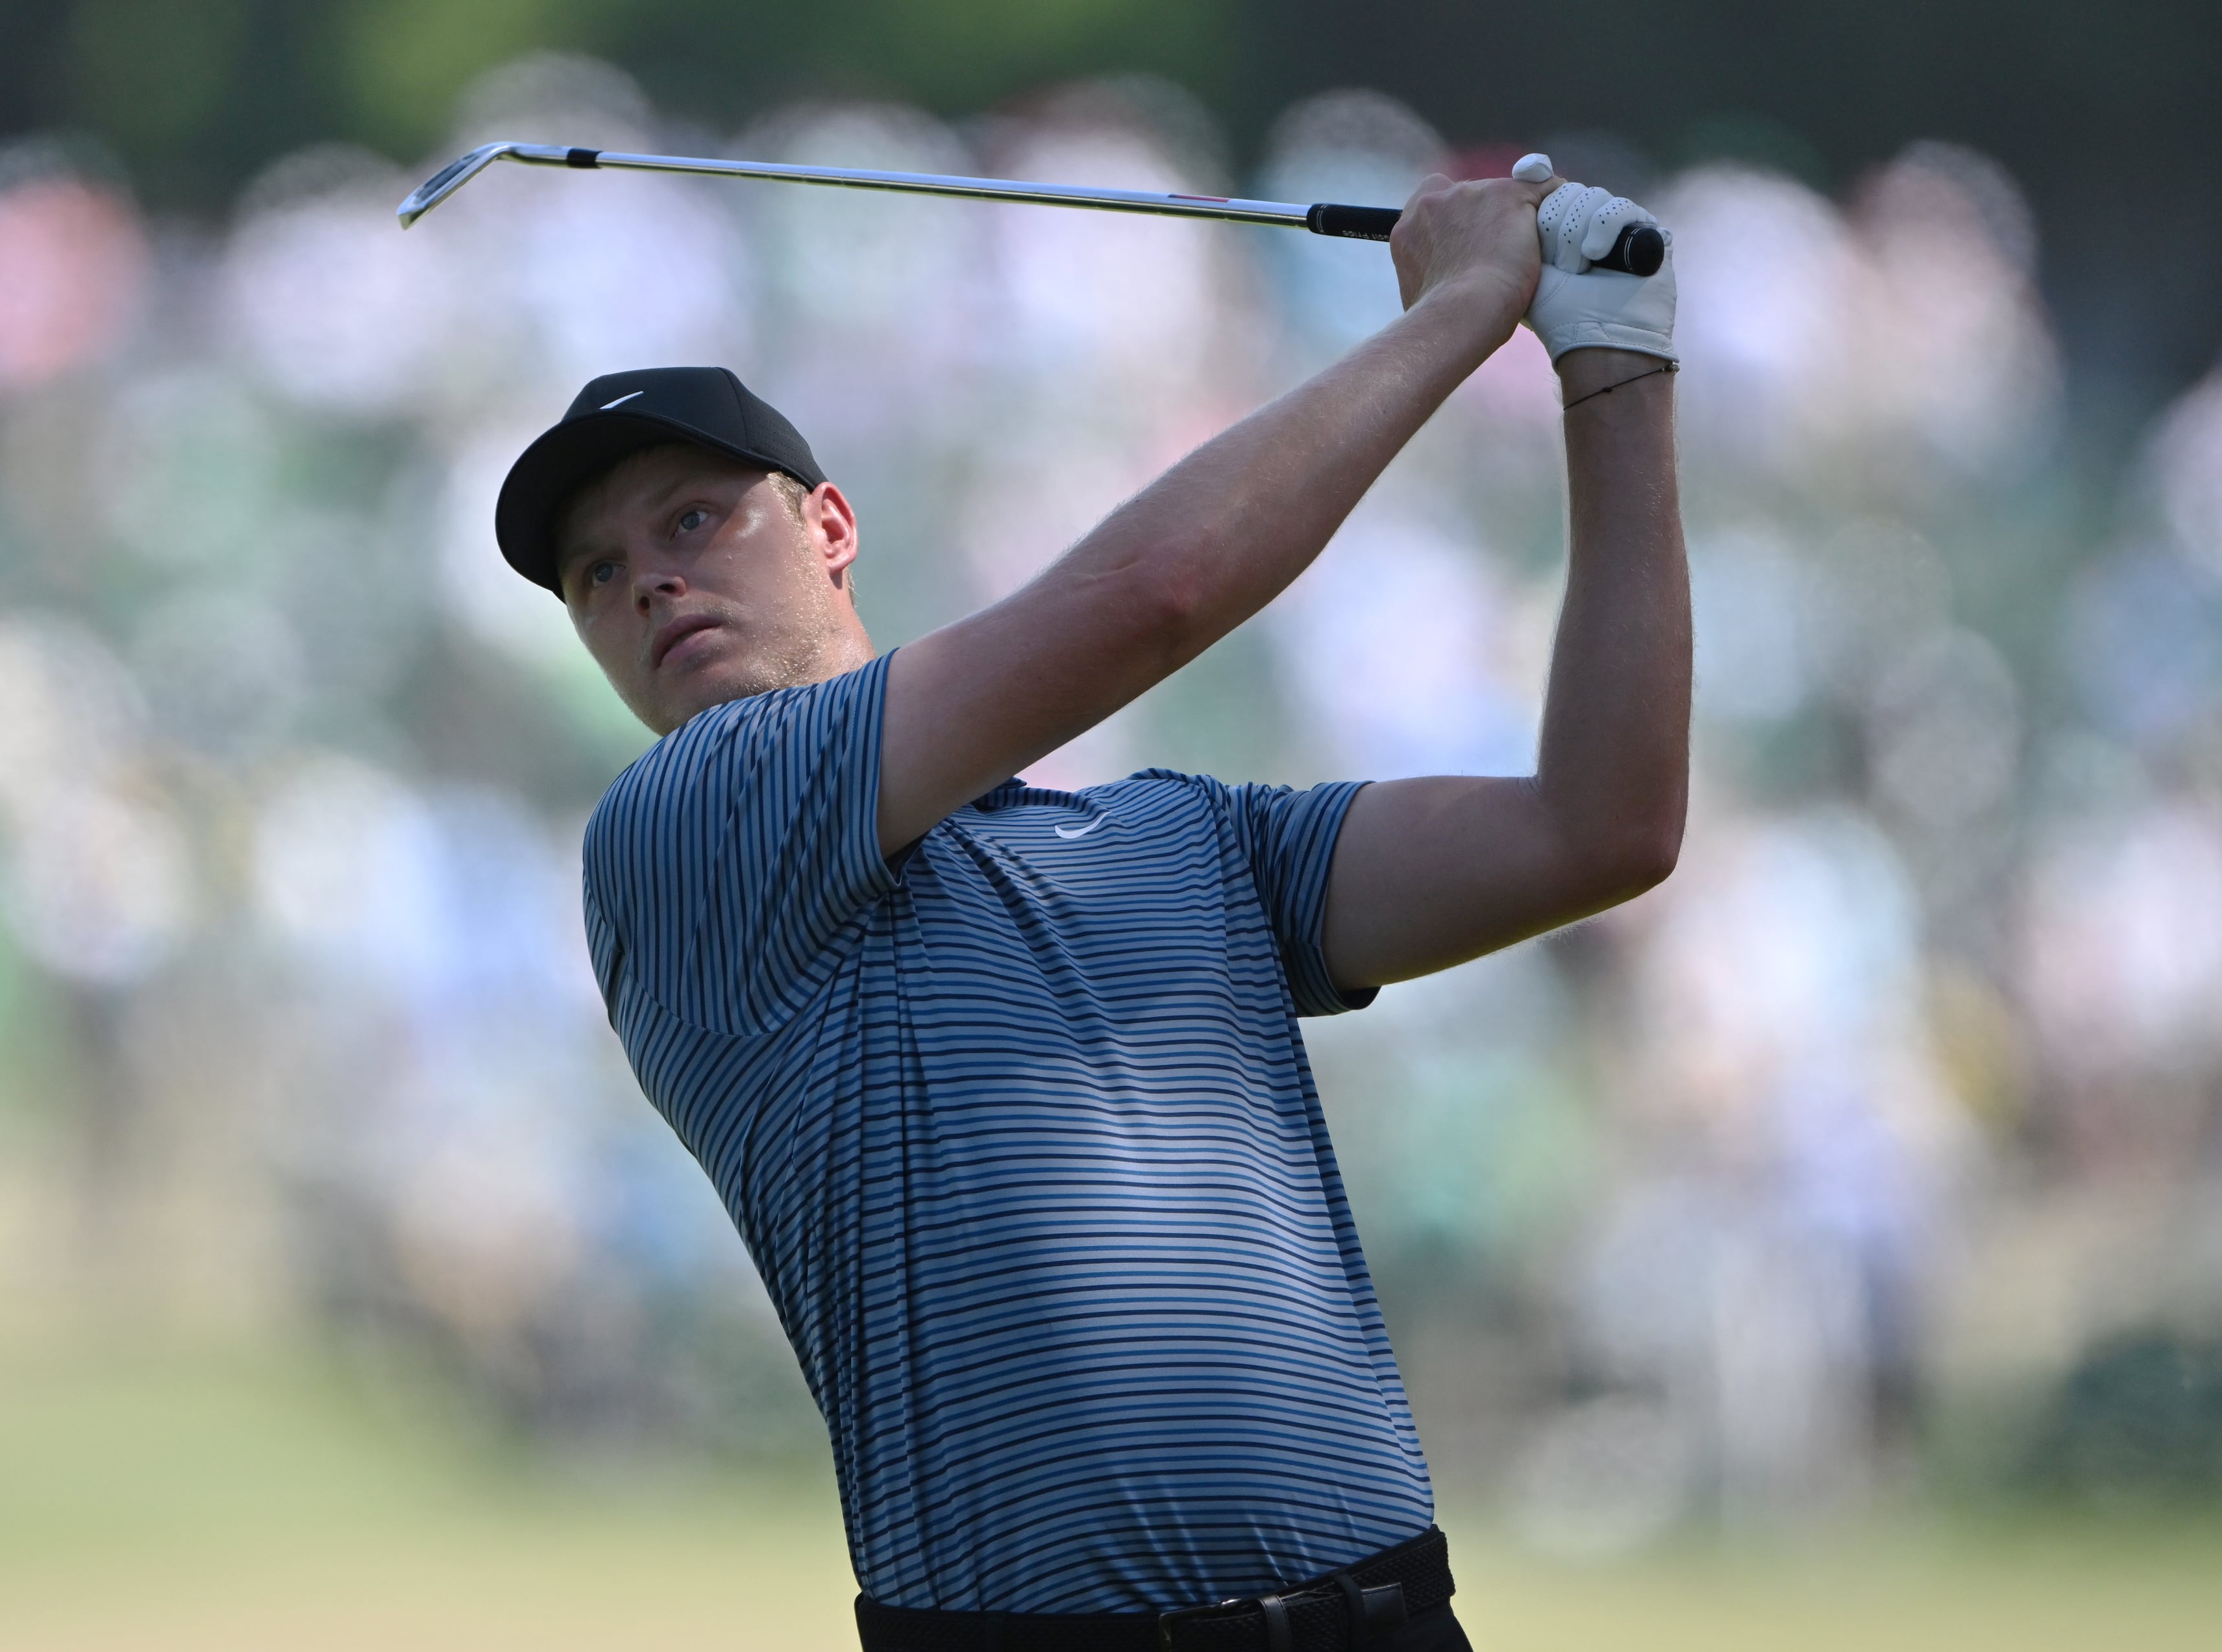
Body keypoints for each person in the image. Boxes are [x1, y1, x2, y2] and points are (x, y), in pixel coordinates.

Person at [492, 158, 1687, 1650]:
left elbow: (1603, 829)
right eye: (597, 574)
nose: (651, 585)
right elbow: (1161, 590)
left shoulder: (1184, 835)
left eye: (692, 523)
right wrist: (1464, 306)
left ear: (832, 528)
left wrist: (1616, 366)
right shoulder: (682, 833)